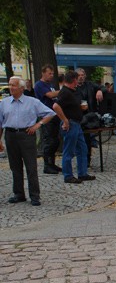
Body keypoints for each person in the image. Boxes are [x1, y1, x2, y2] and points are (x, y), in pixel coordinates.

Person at [0, 76, 56, 206]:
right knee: (15, 166)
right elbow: (0, 122)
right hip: (10, 134)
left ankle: (35, 196)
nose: (11, 88)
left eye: (13, 85)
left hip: (26, 135)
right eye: (9, 85)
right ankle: (18, 194)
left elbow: (50, 113)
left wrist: (38, 125)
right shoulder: (4, 103)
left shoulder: (32, 102)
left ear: (21, 88)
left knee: (31, 166)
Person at [52, 70, 96, 184]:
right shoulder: (65, 92)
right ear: (74, 80)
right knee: (69, 151)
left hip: (77, 123)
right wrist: (65, 120)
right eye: (77, 79)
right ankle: (68, 175)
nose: (78, 81)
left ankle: (82, 173)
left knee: (82, 148)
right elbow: (56, 106)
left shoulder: (72, 91)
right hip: (71, 124)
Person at [34, 64, 62, 174]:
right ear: (43, 73)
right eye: (49, 73)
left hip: (54, 115)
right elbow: (50, 95)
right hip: (46, 116)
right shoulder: (39, 85)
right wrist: (63, 90)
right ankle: (47, 165)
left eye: (52, 73)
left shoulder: (49, 84)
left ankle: (52, 163)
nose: (51, 75)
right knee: (49, 140)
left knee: (55, 140)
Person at [76, 68, 104, 165]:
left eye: (82, 75)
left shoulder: (90, 85)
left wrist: (99, 90)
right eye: (79, 75)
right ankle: (82, 160)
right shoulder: (73, 87)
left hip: (90, 115)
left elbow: (103, 87)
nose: (81, 77)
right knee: (80, 139)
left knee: (88, 139)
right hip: (79, 116)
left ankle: (87, 160)